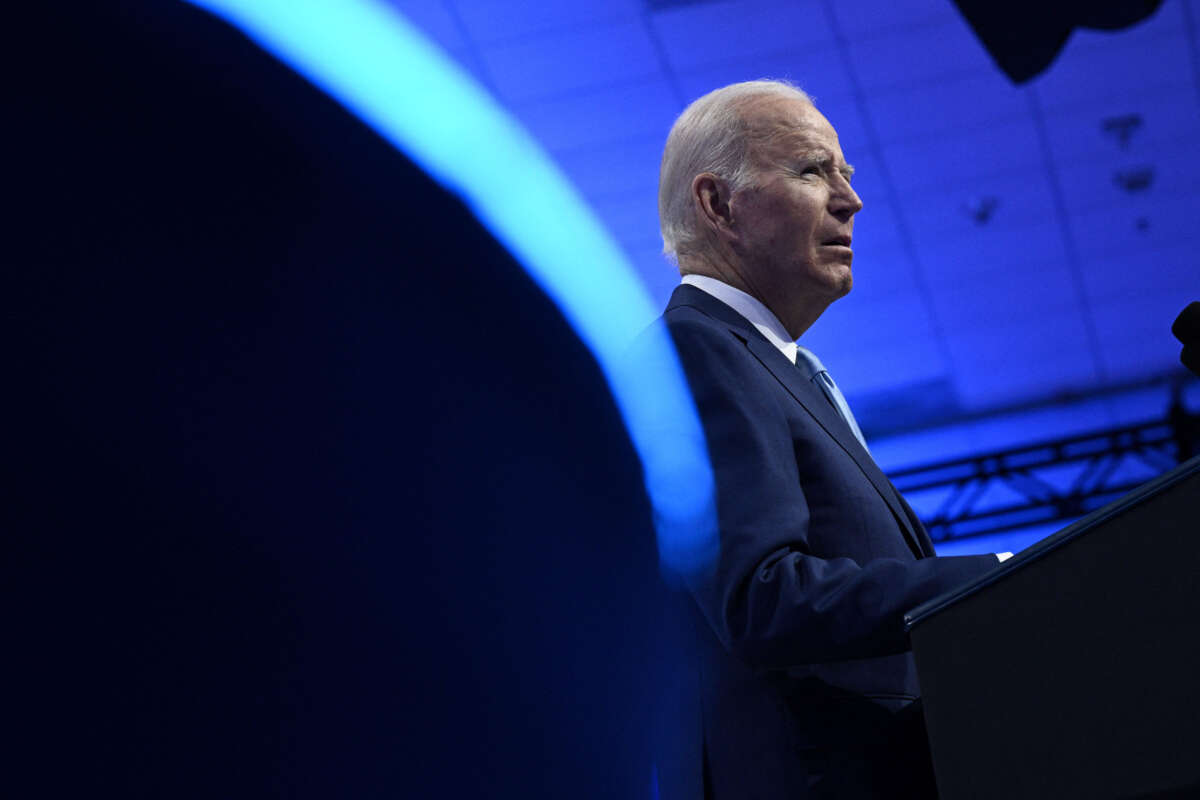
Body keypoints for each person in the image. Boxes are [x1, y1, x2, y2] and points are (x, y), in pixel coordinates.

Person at [652, 80, 1006, 798]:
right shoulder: (699, 349)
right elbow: (761, 597)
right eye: (813, 170)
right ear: (718, 205)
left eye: (846, 173)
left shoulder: (781, 369)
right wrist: (999, 578)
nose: (851, 199)